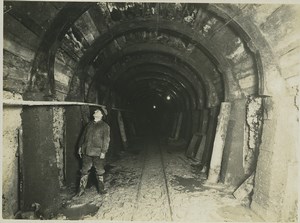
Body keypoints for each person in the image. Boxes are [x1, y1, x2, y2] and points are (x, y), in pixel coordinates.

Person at [77, 108, 110, 196]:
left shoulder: (105, 126)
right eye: (95, 112)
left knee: (100, 171)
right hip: (86, 151)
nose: (96, 113)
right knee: (84, 170)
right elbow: (83, 137)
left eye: (98, 112)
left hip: (98, 152)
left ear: (102, 115)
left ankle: (101, 190)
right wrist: (80, 147)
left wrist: (103, 152)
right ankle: (81, 190)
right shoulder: (89, 124)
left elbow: (106, 140)